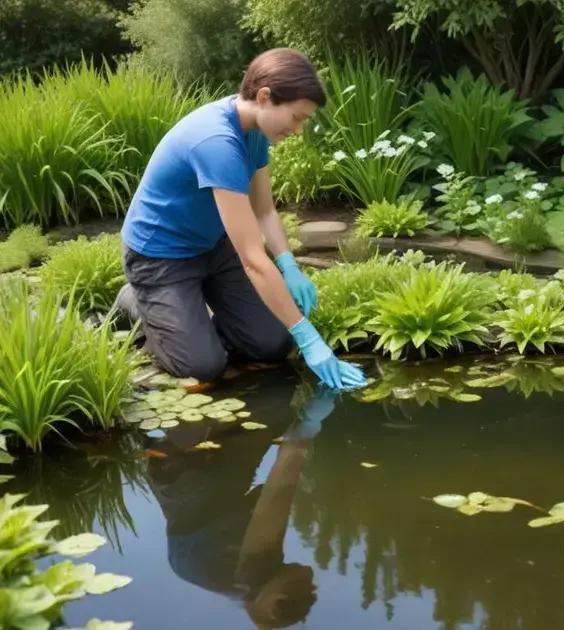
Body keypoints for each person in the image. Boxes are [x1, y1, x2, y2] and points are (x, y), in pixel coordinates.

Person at [116, 48, 365, 390]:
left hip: (213, 246)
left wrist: (289, 266)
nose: (299, 129)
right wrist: (308, 337)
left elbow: (263, 210)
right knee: (203, 365)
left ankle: (186, 314)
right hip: (161, 256)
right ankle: (136, 300)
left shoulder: (255, 131)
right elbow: (252, 260)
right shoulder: (217, 141)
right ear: (265, 97)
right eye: (296, 117)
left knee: (272, 343)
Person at [147, 384, 338, 628]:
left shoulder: (253, 573)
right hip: (187, 502)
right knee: (271, 422)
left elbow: (278, 493)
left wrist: (305, 432)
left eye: (309, 589)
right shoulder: (247, 585)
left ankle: (169, 400)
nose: (313, 581)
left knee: (274, 412)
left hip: (185, 475)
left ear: (276, 602)